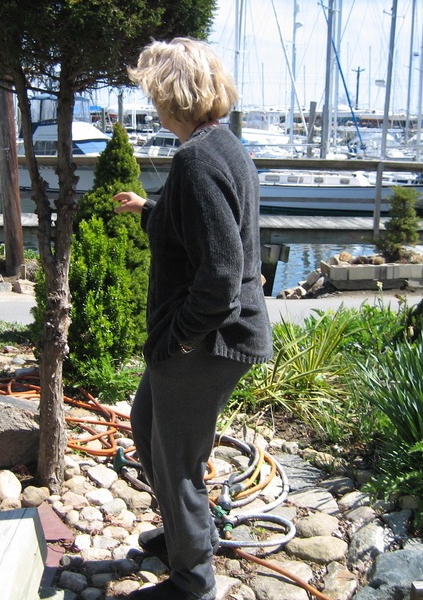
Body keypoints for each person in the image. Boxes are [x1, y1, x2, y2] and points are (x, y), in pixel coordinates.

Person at [113, 37, 273, 600]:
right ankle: (187, 537)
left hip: (208, 342)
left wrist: (179, 340)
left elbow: (221, 276)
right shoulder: (222, 146)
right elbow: (204, 228)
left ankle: (192, 581)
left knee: (177, 459)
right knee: (147, 427)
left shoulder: (196, 159)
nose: (152, 104)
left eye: (153, 94)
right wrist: (150, 210)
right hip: (204, 337)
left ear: (171, 97)